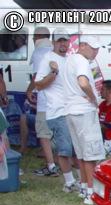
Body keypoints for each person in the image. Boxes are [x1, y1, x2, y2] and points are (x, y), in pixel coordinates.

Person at [62, 34, 105, 205]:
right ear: (83, 45)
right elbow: (83, 82)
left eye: (97, 49)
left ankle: (84, 187)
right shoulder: (82, 61)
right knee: (90, 155)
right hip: (84, 110)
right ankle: (90, 192)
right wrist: (93, 98)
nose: (96, 52)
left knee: (81, 154)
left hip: (71, 110)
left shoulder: (69, 60)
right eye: (93, 48)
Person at [34, 28, 77, 193]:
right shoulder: (48, 58)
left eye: (65, 40)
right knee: (65, 150)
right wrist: (54, 72)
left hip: (72, 110)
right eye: (59, 41)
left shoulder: (70, 59)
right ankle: (69, 182)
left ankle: (81, 182)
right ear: (53, 42)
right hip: (58, 112)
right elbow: (38, 85)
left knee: (75, 149)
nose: (63, 44)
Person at [26, 27, 57, 177]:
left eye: (33, 37)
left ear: (38, 37)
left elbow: (36, 77)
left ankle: (51, 166)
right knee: (57, 134)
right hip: (59, 102)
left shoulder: (39, 52)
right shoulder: (54, 51)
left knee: (44, 134)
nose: (32, 39)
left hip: (45, 101)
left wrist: (29, 91)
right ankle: (59, 162)